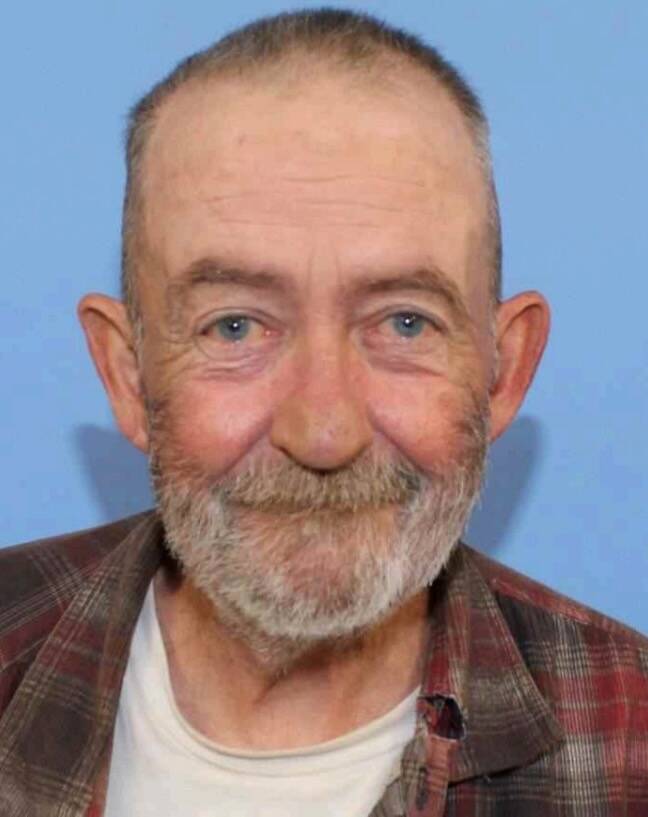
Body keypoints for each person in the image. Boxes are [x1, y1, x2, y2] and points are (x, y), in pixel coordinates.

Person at [1, 8, 646, 816]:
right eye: (236, 327)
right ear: (127, 375)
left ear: (501, 371)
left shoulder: (630, 744)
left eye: (404, 322)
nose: (323, 432)